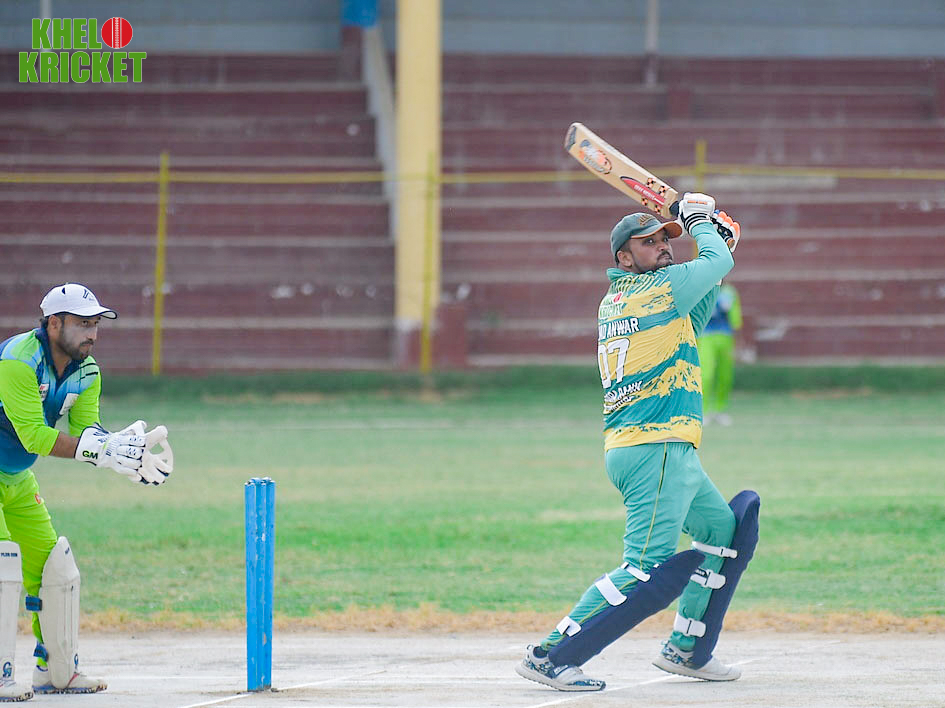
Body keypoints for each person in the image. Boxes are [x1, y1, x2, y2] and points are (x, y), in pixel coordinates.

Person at [515, 194, 759, 692]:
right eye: (648, 243)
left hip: (659, 448)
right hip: (655, 448)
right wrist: (701, 223)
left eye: (666, 239)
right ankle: (549, 655)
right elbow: (715, 264)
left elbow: (701, 300)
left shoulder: (628, 297)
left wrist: (718, 243)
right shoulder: (659, 289)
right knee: (645, 567)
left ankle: (687, 649)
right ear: (624, 258)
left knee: (722, 532)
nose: (663, 247)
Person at [0, 283, 173, 701]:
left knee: (53, 567)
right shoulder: (19, 361)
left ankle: (55, 671)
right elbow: (34, 436)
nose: (91, 333)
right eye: (82, 324)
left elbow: (86, 433)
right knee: (3, 565)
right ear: (53, 323)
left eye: (95, 324)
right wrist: (102, 451)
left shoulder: (87, 371)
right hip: (15, 460)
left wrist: (121, 452)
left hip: (17, 477)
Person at [697, 280, 742, 426]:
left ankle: (719, 409)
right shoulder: (702, 288)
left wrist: (738, 337)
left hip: (725, 336)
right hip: (706, 336)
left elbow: (735, 318)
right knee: (706, 374)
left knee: (725, 375)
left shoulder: (729, 292)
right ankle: (704, 411)